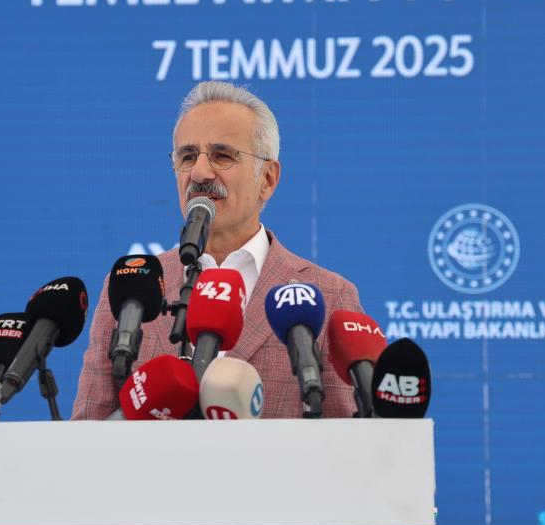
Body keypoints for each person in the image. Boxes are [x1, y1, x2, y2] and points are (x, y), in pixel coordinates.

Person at [71, 81, 363, 419]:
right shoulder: (131, 288)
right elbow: (88, 429)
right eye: (187, 156)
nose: (199, 172)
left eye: (222, 156)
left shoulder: (329, 295)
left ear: (267, 179)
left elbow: (348, 439)